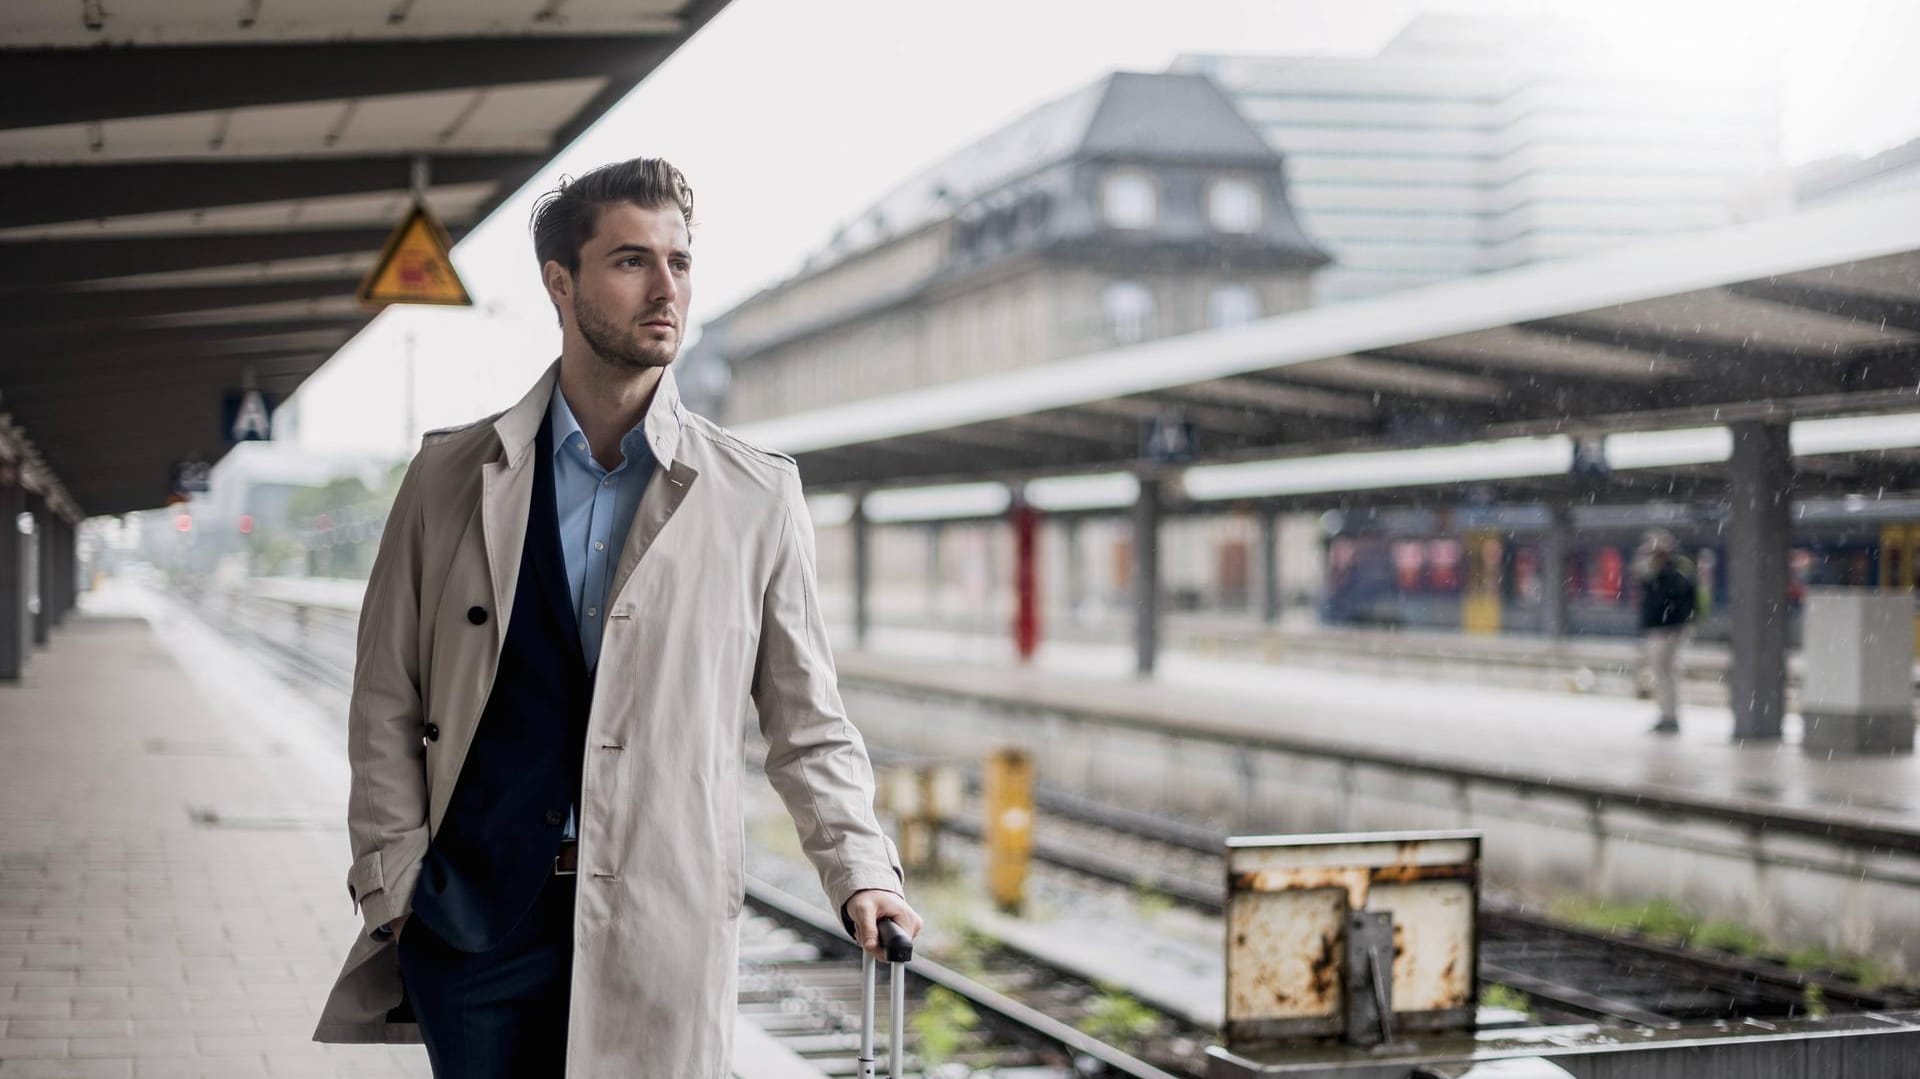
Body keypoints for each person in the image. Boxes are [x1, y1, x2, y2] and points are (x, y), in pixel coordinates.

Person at [313, 158, 921, 1077]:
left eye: (679, 261)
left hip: (658, 927)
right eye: (632, 261)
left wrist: (862, 870)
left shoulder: (755, 494)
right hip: (472, 927)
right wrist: (397, 887)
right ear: (560, 283)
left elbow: (808, 724)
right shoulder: (448, 478)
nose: (665, 287)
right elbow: (384, 697)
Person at [1635, 529, 1697, 734]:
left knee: (1664, 673)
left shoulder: (1670, 576)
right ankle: (1667, 714)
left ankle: (1669, 716)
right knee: (1664, 674)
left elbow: (1670, 603)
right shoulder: (1663, 575)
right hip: (1663, 630)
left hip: (1665, 632)